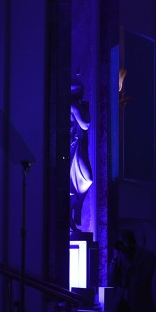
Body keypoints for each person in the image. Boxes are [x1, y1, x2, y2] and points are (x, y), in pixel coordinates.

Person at [69, 76, 93, 232]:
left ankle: (77, 208)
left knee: (87, 179)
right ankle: (73, 216)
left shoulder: (77, 105)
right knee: (85, 179)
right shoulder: (73, 106)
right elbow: (85, 125)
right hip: (73, 149)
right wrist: (86, 109)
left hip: (79, 146)